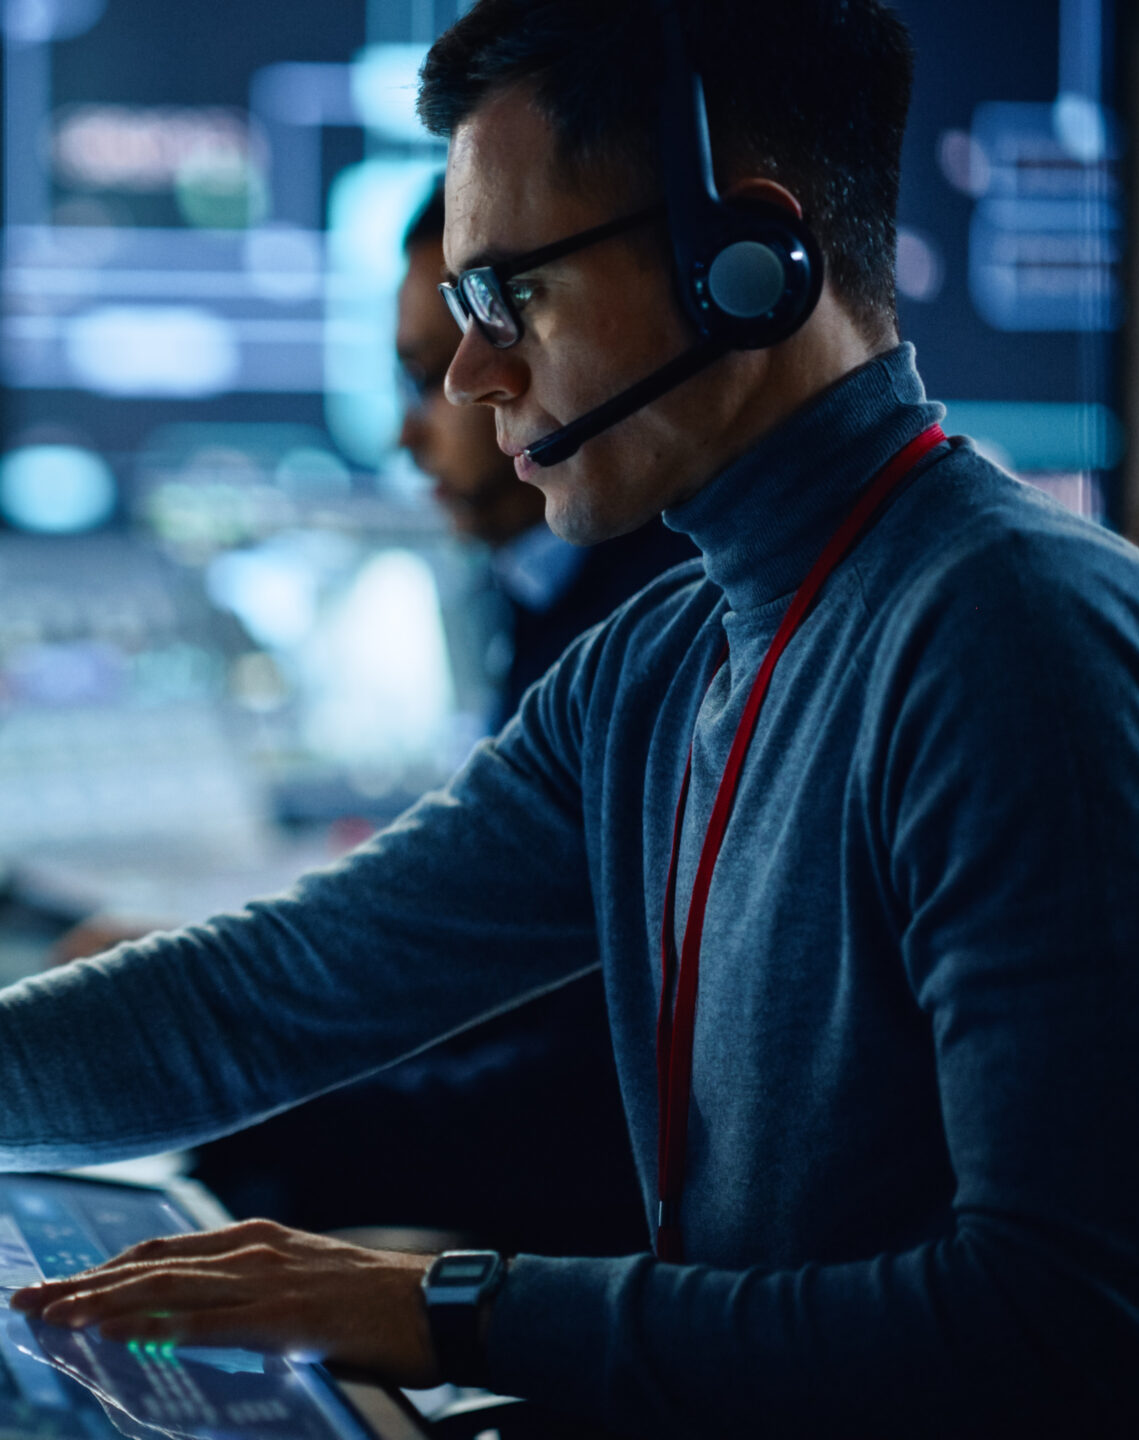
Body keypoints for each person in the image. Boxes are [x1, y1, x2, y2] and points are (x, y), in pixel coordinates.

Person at [0, 1, 1139, 1433]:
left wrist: (431, 1307)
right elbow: (276, 991)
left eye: (512, 291)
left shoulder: (1008, 651)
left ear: (754, 259)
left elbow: (1063, 1348)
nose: (472, 369)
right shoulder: (671, 664)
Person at [191, 183, 696, 1258]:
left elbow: (587, 1108)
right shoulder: (559, 600)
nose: (434, 414)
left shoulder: (666, 627)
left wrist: (248, 1107)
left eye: (439, 369)